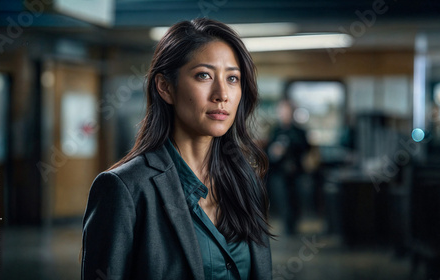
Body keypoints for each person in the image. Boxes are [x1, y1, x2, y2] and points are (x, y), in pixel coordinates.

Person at [81, 18, 273, 280]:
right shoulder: (125, 189)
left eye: (232, 78)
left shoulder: (244, 180)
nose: (222, 94)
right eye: (203, 75)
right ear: (165, 87)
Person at [266, 99, 310, 235]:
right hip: (278, 172)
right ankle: (287, 226)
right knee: (282, 198)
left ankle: (294, 225)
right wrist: (274, 151)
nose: (284, 114)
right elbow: (268, 151)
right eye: (282, 111)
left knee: (296, 199)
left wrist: (290, 148)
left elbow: (305, 149)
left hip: (296, 172)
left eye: (287, 111)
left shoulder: (300, 131)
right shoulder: (275, 130)